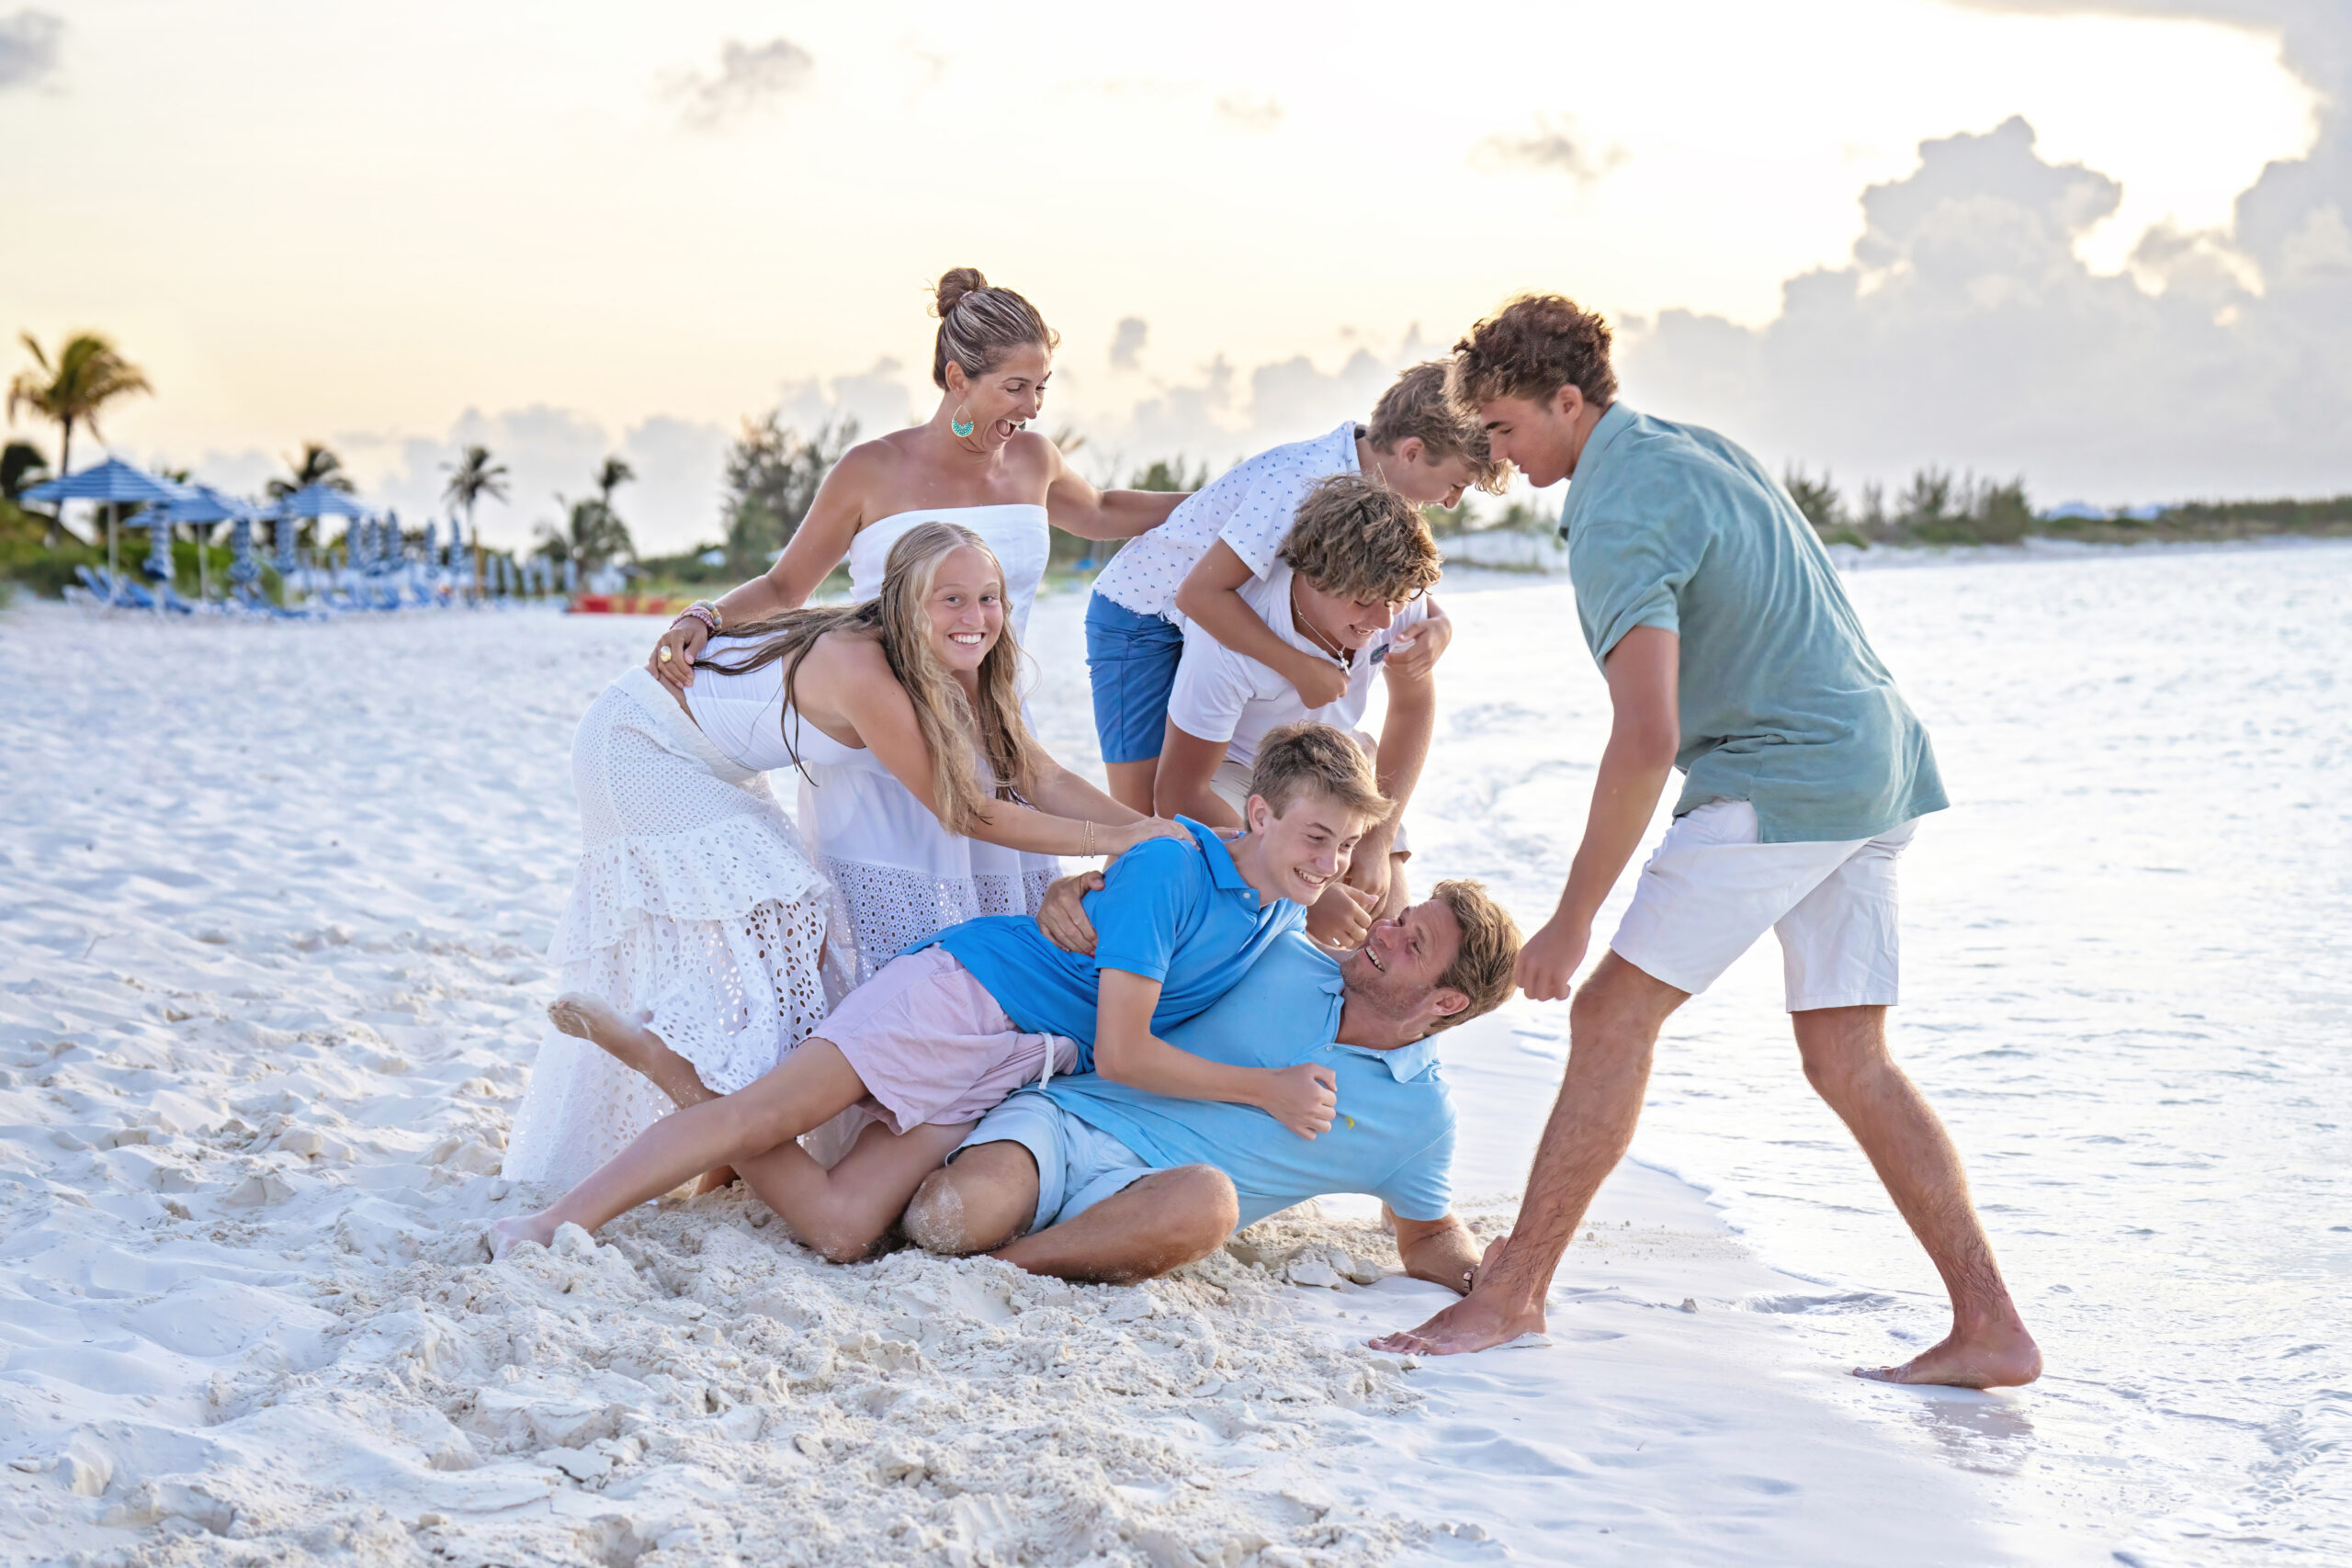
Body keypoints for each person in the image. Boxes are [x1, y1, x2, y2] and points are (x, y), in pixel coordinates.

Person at [1371, 295, 2041, 1390]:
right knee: (1849, 1057)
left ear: (1567, 401)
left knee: (1609, 1013)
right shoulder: (1695, 449)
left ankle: (1511, 1293)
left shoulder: (1616, 508)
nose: (1496, 456)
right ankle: (1990, 1326)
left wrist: (1572, 919)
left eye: (1503, 427)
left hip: (1783, 772)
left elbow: (1646, 735)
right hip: (1877, 760)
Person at [492, 722, 1390, 1265]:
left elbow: (1323, 908)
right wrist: (1266, 1090)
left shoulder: (1281, 898)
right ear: (1259, 814)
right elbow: (1124, 1054)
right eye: (1317, 836)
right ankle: (552, 1222)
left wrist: (1338, 890)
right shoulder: (1172, 867)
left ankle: (667, 1063)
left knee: (843, 1230)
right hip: (963, 996)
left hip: (1020, 1059)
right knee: (761, 1116)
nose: (1330, 860)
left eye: (1346, 844)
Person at [503, 523, 1176, 1190]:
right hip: (640, 748)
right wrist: (1113, 841)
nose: (975, 618)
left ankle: (724, 1167)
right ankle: (708, 1134)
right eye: (951, 599)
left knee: (798, 961)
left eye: (988, 598)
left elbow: (1040, 775)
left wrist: (1156, 829)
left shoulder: (954, 661)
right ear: (906, 600)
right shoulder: (861, 667)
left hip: (708, 760)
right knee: (795, 945)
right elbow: (965, 810)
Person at [642, 267, 1192, 935]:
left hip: (996, 721)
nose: (1033, 407)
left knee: (1005, 944)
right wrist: (704, 615)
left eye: (1042, 387)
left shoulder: (1033, 460)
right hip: (886, 734)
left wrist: (1228, 503)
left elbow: (1102, 510)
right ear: (958, 378)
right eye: (1015, 387)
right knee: (897, 950)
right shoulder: (870, 470)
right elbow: (786, 587)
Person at [904, 879, 1522, 1288]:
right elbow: (1183, 887)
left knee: (1210, 1201)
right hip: (1067, 1121)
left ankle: (1003, 1270)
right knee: (949, 1220)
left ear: (1447, 1001)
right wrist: (1075, 891)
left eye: (1412, 944)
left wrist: (1476, 1277)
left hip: (1155, 1200)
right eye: (1400, 919)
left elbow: (1430, 1232)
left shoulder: (1421, 1117)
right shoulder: (1279, 948)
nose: (1384, 931)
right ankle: (978, 1220)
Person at [1084, 361, 1505, 816]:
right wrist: (1301, 668)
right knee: (1140, 817)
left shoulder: (1363, 481)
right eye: (1456, 484)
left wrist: (1439, 622)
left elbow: (1383, 580)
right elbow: (1198, 595)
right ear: (1412, 452)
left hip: (1204, 605)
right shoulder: (1301, 483)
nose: (1452, 502)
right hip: (1141, 615)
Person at [1155, 473, 1442, 950]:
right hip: (1238, 771)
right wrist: (1306, 896)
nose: (1383, 622)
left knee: (1385, 924)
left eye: (1394, 603)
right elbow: (1177, 794)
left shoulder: (1391, 600)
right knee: (1289, 912)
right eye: (1364, 603)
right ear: (1312, 576)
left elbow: (1413, 708)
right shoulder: (1227, 640)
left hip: (1335, 759)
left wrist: (1378, 839)